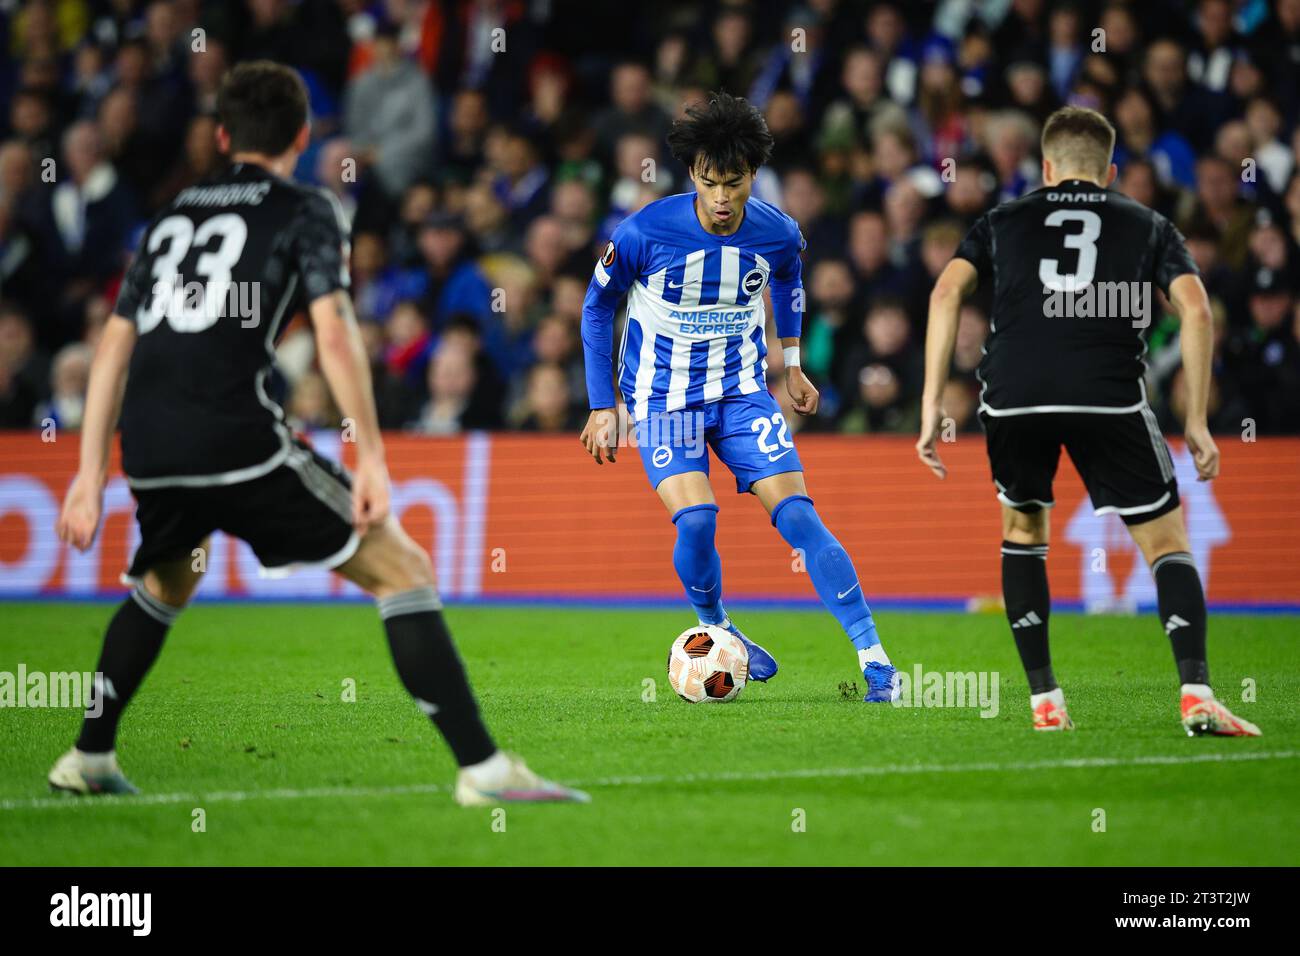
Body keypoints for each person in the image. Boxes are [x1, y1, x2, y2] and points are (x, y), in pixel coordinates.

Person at [51, 61, 588, 806]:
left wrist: (88, 473)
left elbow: (113, 346)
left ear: (223, 135)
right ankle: (484, 770)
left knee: (168, 578)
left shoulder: (171, 215)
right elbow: (333, 334)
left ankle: (88, 756)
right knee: (402, 568)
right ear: (303, 137)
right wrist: (369, 457)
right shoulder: (307, 208)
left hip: (149, 443)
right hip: (232, 434)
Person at [916, 105, 1260, 736]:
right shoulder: (1147, 223)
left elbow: (945, 293)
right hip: (1107, 394)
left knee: (1023, 532)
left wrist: (932, 401)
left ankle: (1046, 702)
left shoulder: (1002, 220)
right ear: (1111, 172)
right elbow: (1198, 312)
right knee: (1165, 543)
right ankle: (1196, 695)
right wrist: (1200, 424)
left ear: (1045, 169)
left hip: (1013, 393)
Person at [580, 92, 901, 702]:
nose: (722, 199)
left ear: (752, 174)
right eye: (710, 183)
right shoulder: (645, 231)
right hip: (663, 400)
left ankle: (876, 660)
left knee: (801, 516)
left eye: (734, 183)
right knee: (697, 520)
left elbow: (789, 280)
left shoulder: (778, 233)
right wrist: (602, 403)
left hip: (740, 394)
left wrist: (795, 362)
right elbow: (597, 306)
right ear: (692, 174)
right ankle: (719, 627)